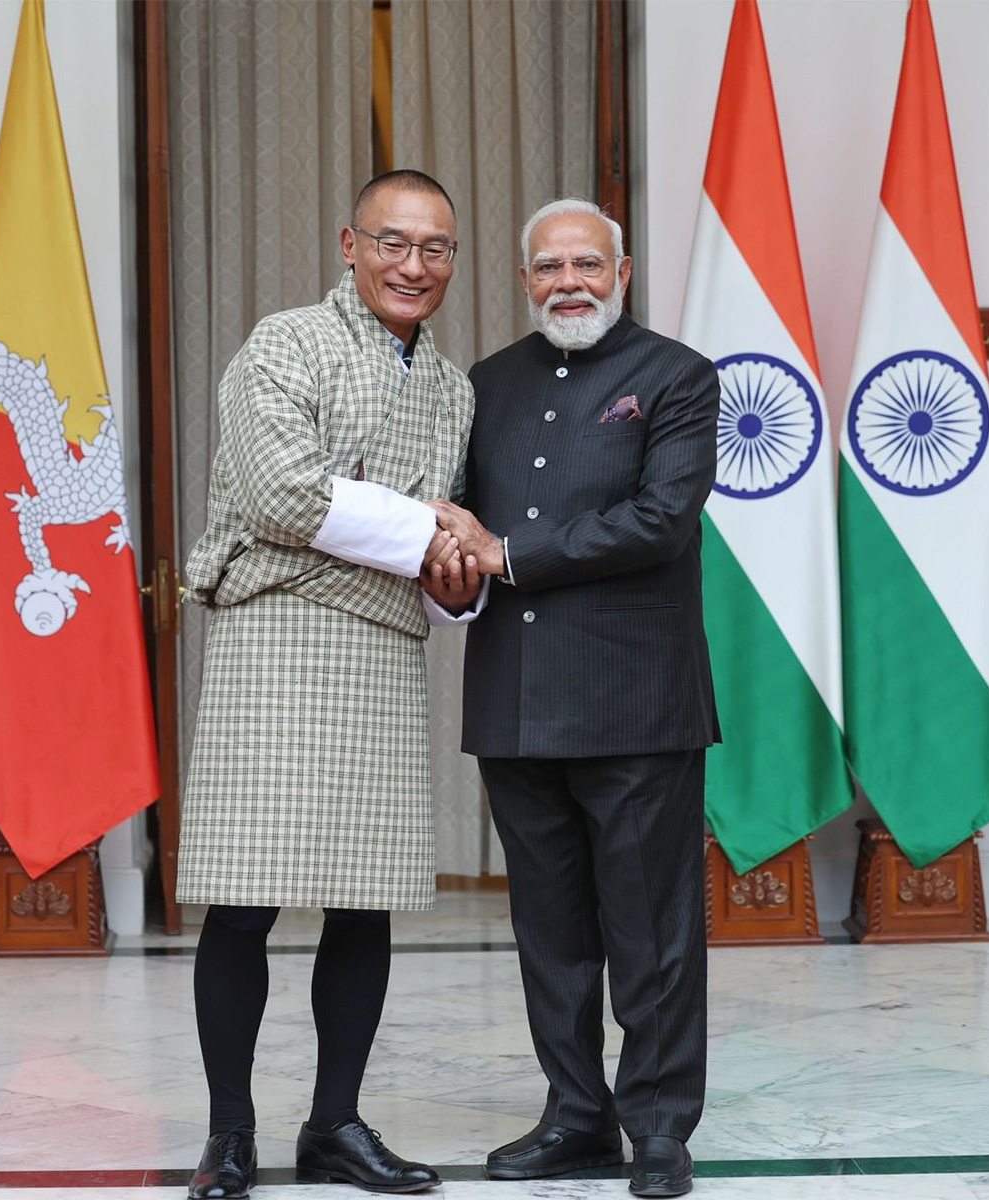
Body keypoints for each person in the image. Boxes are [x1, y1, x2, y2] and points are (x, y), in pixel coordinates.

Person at [177, 170, 486, 1200]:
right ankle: (228, 1133)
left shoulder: (452, 389)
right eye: (392, 242)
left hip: (384, 647)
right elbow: (279, 495)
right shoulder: (286, 344)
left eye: (435, 248)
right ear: (350, 246)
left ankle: (335, 1125)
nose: (413, 265)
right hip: (274, 636)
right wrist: (428, 531)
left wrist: (452, 576)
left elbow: (440, 549)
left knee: (366, 901)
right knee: (244, 897)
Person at [427, 198, 721, 1198]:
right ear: (524, 280)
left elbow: (661, 520)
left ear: (621, 273)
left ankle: (660, 1128)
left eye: (587, 264)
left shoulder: (677, 377)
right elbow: (462, 527)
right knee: (550, 936)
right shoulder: (486, 384)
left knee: (650, 932)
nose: (569, 283)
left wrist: (506, 554)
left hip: (638, 704)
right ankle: (576, 1117)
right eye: (549, 267)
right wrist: (452, 572)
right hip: (514, 702)